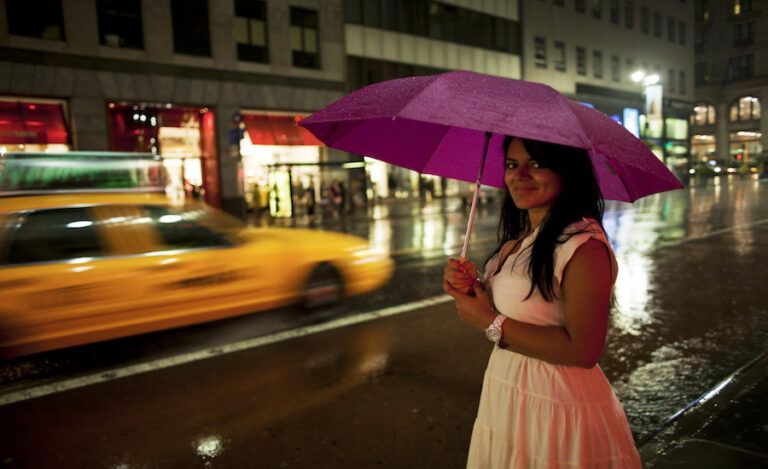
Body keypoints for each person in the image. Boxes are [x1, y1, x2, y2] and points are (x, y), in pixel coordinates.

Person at [443, 136, 641, 468]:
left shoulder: (583, 246)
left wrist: (490, 321)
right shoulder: (519, 242)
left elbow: (583, 351)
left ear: (567, 172)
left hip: (557, 404)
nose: (519, 175)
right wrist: (470, 289)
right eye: (511, 164)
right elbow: (516, 309)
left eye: (536, 164)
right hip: (508, 392)